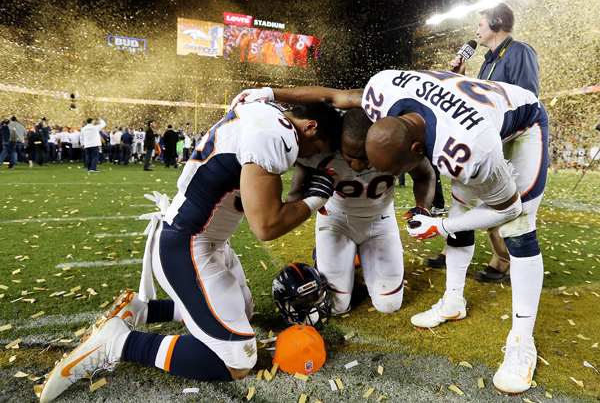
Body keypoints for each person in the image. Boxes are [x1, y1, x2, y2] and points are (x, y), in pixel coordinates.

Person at [229, 70, 547, 396]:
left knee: (519, 228)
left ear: (416, 149)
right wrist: (270, 91)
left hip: (516, 124)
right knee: (460, 209)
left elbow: (509, 209)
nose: (360, 168)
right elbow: (332, 96)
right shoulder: (381, 92)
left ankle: (522, 342)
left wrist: (437, 224)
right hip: (344, 216)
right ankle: (453, 301)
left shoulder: (461, 150)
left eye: (390, 170)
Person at [38, 101, 342, 403]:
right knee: (237, 361)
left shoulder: (263, 110)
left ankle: (144, 310)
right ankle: (120, 342)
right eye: (316, 149)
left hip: (203, 240)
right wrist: (315, 199)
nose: (310, 157)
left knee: (243, 312)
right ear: (309, 127)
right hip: (187, 249)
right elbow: (266, 226)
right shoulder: (277, 136)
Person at [430, 2, 541, 281]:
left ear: (495, 23)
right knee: (464, 197)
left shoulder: (520, 51)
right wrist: (460, 78)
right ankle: (452, 250)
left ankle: (503, 261)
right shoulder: (487, 62)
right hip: (489, 141)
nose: (476, 31)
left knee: (503, 201)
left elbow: (527, 99)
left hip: (512, 141)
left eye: (480, 25)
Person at [287, 108, 433, 315]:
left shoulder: (393, 147)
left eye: (365, 157)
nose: (357, 165)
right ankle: (326, 253)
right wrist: (309, 194)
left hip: (381, 221)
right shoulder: (322, 152)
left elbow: (425, 174)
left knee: (389, 305)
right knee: (336, 307)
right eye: (350, 156)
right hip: (336, 222)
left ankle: (354, 257)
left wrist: (423, 208)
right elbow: (292, 197)